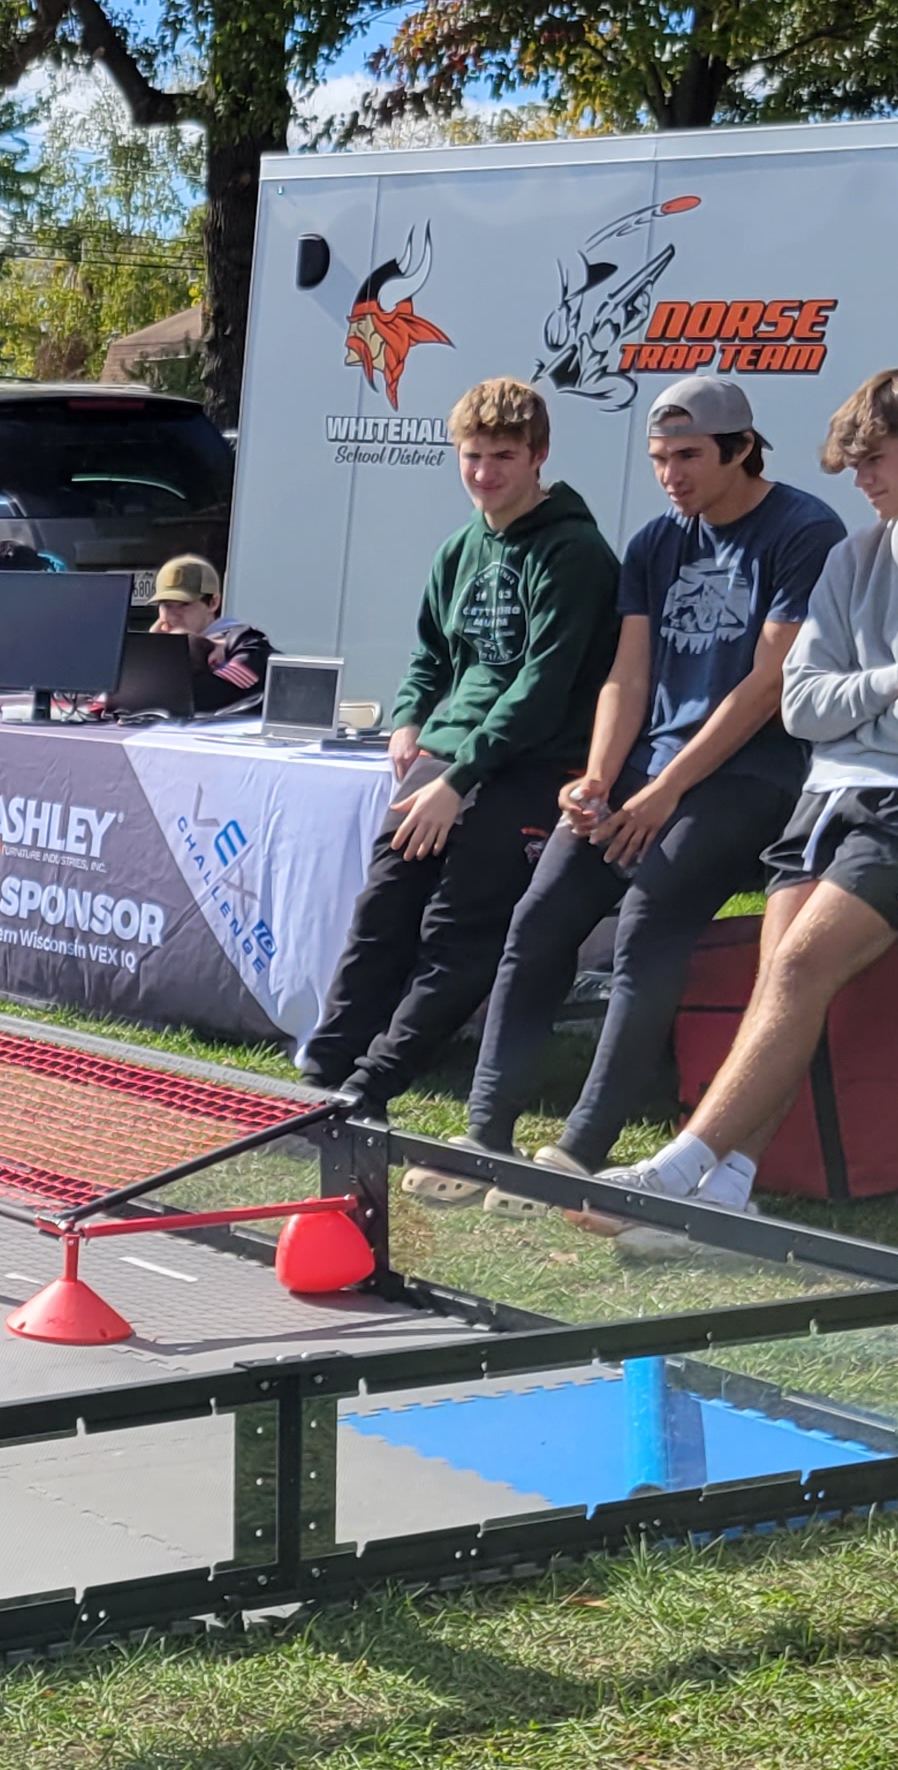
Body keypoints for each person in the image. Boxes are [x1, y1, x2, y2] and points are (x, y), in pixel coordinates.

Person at [619, 367, 898, 1216]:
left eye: (875, 461)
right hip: (837, 791)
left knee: (800, 964)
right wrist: (892, 681)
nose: (860, 483)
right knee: (784, 977)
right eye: (851, 467)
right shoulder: (855, 553)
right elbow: (798, 702)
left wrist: (854, 711)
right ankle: (733, 1188)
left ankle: (679, 1169)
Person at [442, 377, 845, 1187]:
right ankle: (485, 1136)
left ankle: (578, 1151)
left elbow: (768, 685)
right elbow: (629, 673)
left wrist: (664, 793)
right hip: (644, 767)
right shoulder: (658, 541)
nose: (672, 476)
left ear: (741, 449)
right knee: (540, 917)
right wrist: (595, 780)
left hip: (751, 771)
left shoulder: (805, 528)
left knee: (647, 923)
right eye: (660, 459)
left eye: (690, 457)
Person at [296, 377, 619, 1112]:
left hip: (530, 763)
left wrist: (458, 780)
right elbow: (430, 656)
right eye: (472, 456)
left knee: (458, 928)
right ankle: (324, 1068)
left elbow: (542, 687)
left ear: (539, 455)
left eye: (503, 455)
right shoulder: (459, 546)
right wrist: (409, 719)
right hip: (447, 754)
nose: (485, 473)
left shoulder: (575, 553)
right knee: (382, 909)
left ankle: (372, 1083)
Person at [140, 555, 269, 713]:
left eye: (184, 605)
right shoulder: (162, 644)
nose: (173, 616)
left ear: (213, 603)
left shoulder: (243, 641)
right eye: (167, 606)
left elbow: (219, 693)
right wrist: (150, 649)